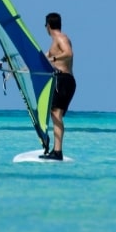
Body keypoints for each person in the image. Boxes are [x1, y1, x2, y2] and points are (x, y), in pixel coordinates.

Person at [40, 12, 75, 161]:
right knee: (55, 115)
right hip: (62, 80)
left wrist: (53, 58)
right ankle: (56, 150)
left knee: (56, 115)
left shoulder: (61, 38)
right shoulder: (55, 42)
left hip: (64, 80)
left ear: (48, 25)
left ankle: (58, 151)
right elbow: (42, 59)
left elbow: (68, 53)